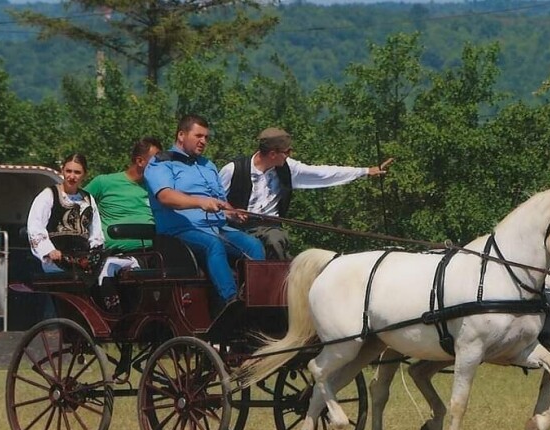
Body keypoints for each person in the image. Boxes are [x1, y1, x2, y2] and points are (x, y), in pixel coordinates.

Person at [144, 114, 264, 307]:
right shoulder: (162, 162)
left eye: (206, 137)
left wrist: (233, 213)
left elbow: (220, 204)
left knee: (253, 245)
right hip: (179, 232)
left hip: (217, 228)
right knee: (212, 245)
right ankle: (231, 302)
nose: (204, 141)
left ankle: (256, 300)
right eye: (198, 136)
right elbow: (166, 196)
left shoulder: (207, 165)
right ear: (181, 135)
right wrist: (200, 202)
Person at [218, 127, 393, 259]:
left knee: (276, 238)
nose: (289, 155)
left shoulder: (287, 168)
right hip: (238, 228)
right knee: (272, 240)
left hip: (270, 226)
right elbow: (214, 203)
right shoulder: (233, 169)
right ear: (272, 153)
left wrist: (365, 171)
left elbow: (323, 173)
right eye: (287, 152)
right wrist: (231, 213)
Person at [27, 153, 139, 286]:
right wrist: (49, 250)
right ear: (62, 170)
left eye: (77, 172)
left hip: (83, 260)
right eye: (68, 171)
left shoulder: (88, 199)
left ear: (84, 175)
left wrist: (94, 255)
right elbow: (35, 226)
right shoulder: (49, 195)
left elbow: (95, 232)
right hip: (57, 260)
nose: (72, 176)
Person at [85, 137, 163, 252]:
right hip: (113, 254)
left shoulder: (158, 189)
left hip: (153, 253)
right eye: (156, 161)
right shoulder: (103, 182)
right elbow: (75, 204)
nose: (161, 166)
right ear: (140, 161)